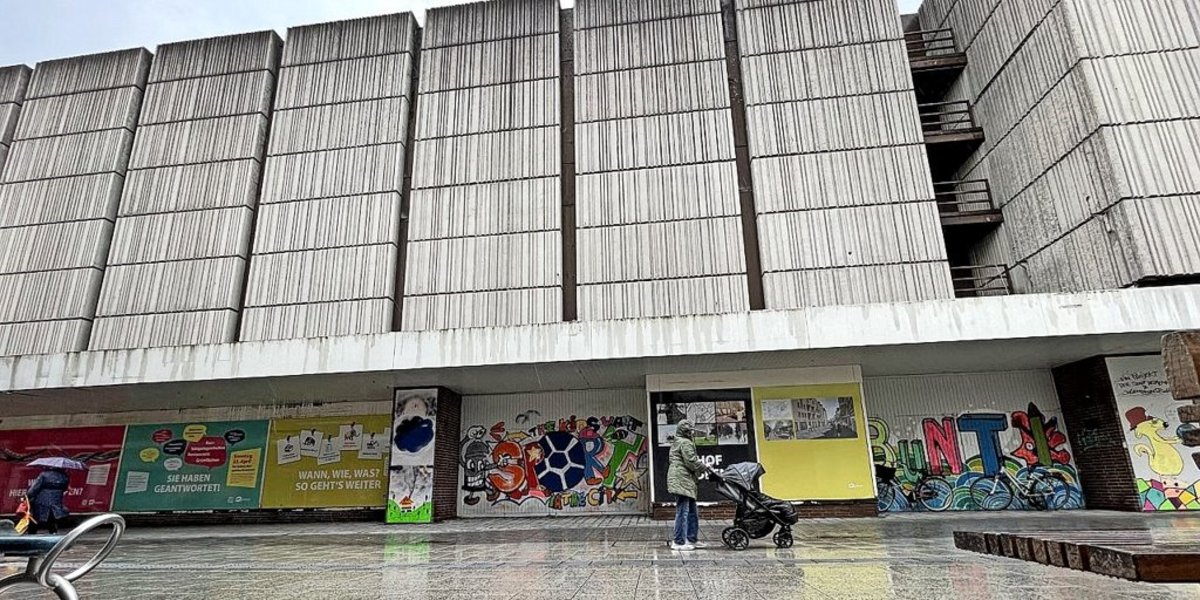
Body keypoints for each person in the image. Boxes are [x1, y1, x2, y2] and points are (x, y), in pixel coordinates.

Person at [667, 420, 709, 551]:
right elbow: (691, 461)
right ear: (686, 432)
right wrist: (704, 467)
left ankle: (691, 539)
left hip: (684, 478)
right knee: (683, 511)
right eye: (690, 431)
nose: (692, 433)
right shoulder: (685, 443)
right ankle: (679, 542)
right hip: (682, 479)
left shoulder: (679, 441)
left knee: (692, 511)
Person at [26, 467, 70, 535]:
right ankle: (53, 532)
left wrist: (28, 496)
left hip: (42, 501)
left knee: (35, 518)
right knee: (52, 519)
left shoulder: (43, 475)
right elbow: (64, 488)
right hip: (56, 501)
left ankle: (32, 534)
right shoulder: (64, 476)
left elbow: (34, 489)